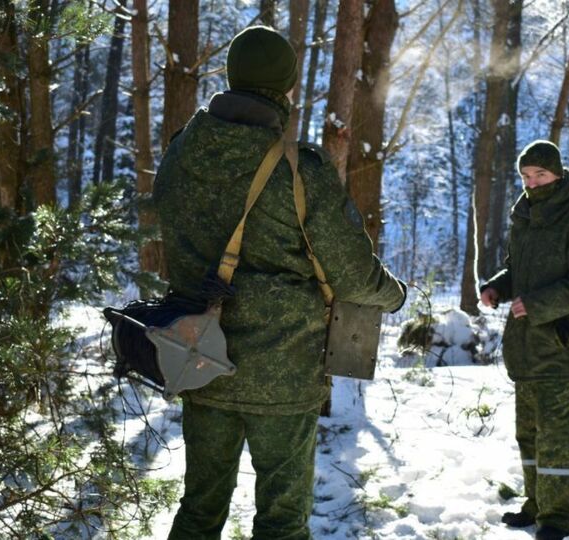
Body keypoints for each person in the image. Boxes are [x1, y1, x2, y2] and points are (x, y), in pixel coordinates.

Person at [153, 26, 407, 540]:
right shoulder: (298, 167)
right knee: (282, 522)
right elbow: (354, 275)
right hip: (283, 375)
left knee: (199, 513)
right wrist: (394, 294)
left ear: (232, 76)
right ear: (286, 87)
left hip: (201, 356)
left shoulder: (181, 152)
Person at [480, 140, 569, 540]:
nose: (532, 183)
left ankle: (559, 517)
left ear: (558, 174)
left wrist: (535, 305)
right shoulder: (526, 215)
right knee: (529, 433)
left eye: (541, 175)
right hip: (526, 344)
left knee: (555, 434)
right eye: (526, 176)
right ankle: (537, 505)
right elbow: (517, 268)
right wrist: (499, 287)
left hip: (562, 343)